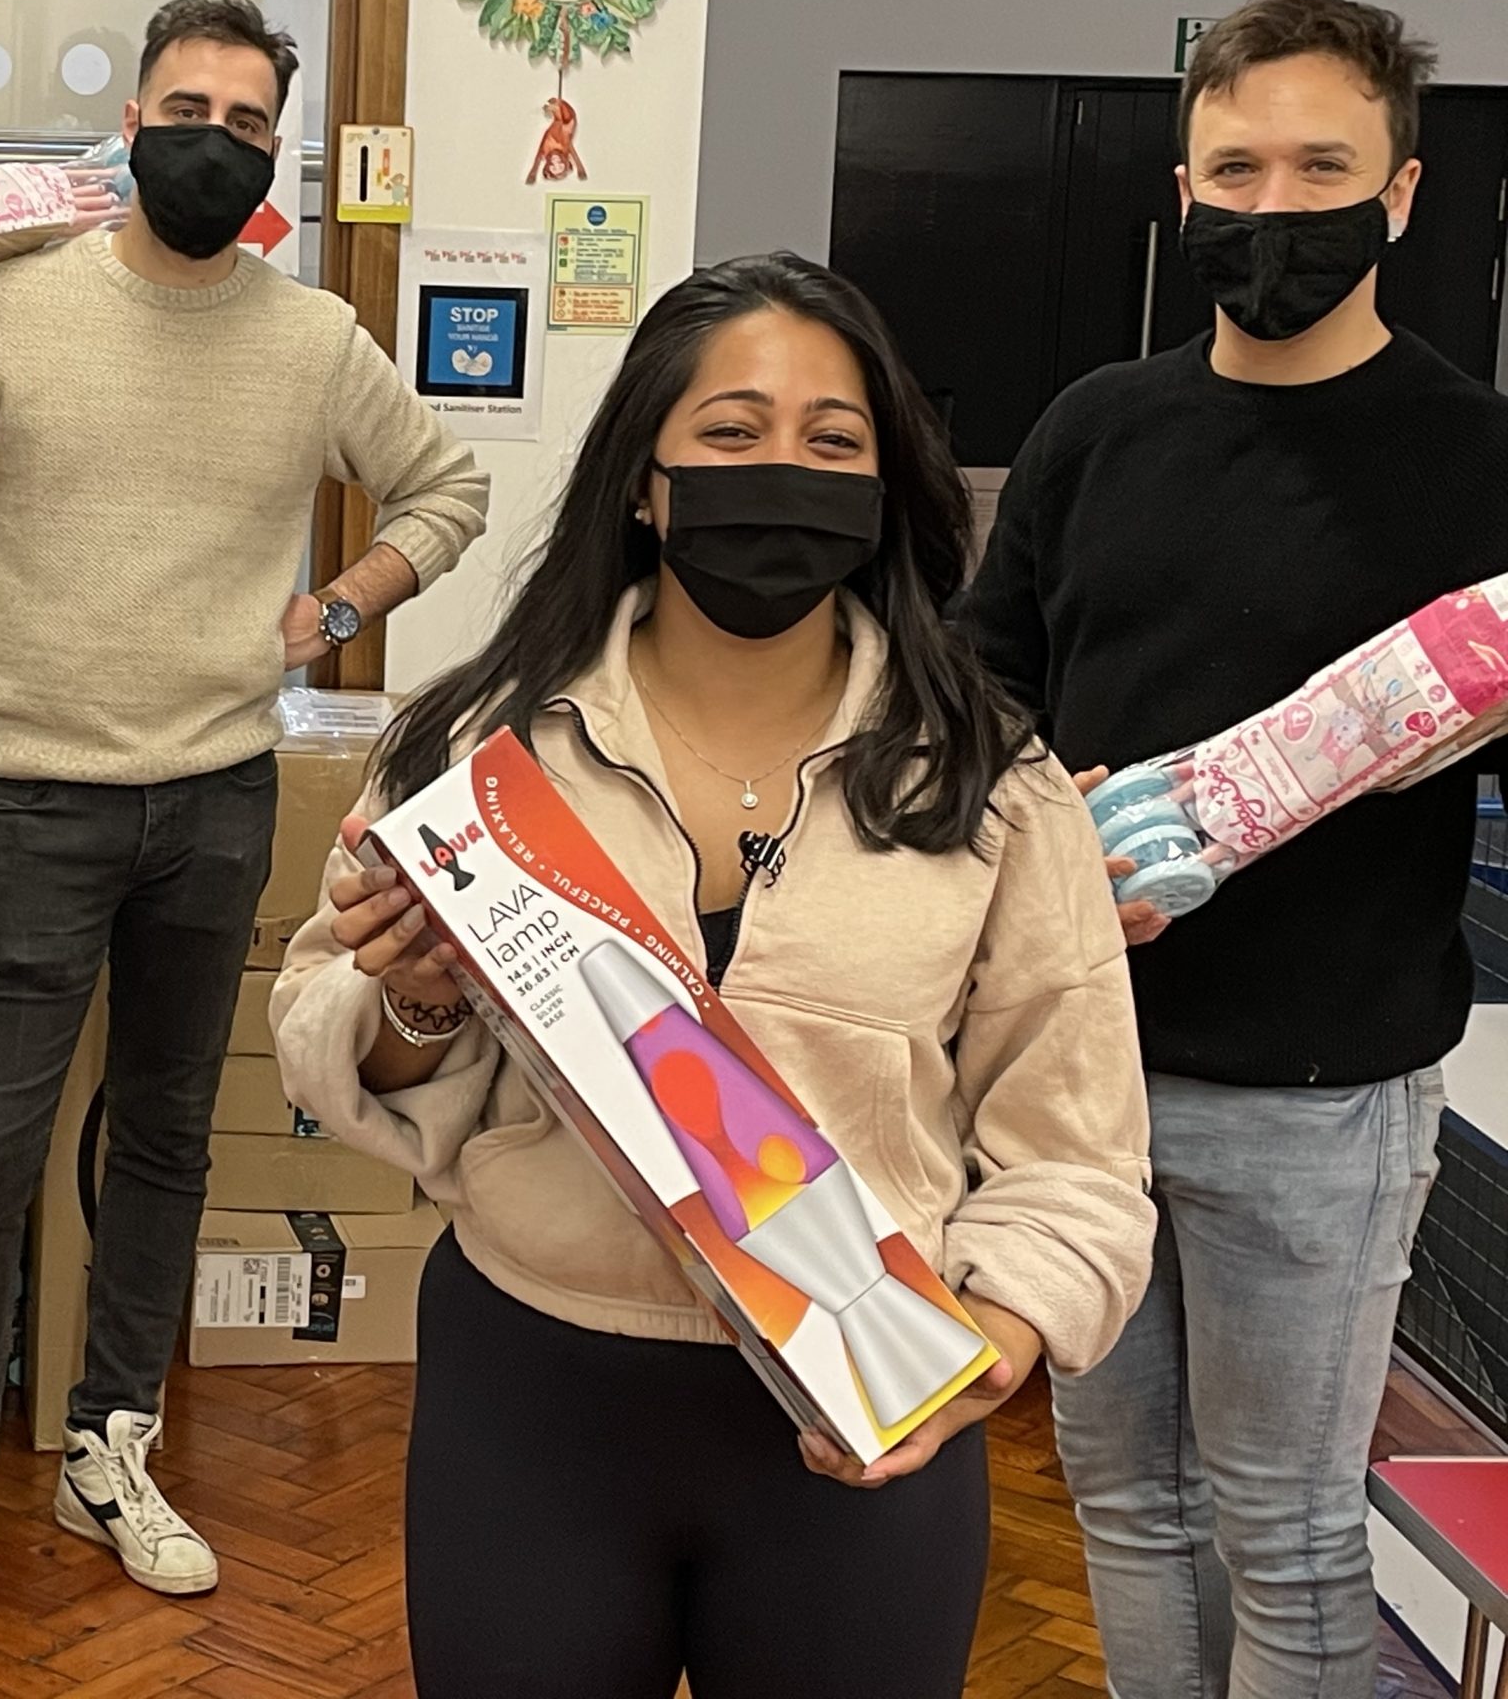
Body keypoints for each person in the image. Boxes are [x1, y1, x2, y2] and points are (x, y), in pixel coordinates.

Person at [272, 254, 1155, 1699]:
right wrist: (415, 1000)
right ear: (646, 479)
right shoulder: (476, 754)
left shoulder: (995, 784)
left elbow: (1080, 1152)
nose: (781, 470)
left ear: (885, 488)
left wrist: (985, 1350)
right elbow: (326, 1034)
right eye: (732, 432)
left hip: (872, 1406)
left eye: (832, 441)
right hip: (534, 1391)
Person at [0, 0, 490, 1634]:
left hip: (216, 796)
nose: (214, 139)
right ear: (129, 125)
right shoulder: (14, 306)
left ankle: (111, 1445)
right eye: (186, 110)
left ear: (276, 149)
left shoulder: (311, 340)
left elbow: (448, 486)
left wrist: (339, 607)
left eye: (248, 122)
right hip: (32, 797)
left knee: (168, 1137)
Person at [964, 0, 1508, 1699]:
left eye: (1322, 169)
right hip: (1079, 1077)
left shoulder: (1482, 459)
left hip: (1324, 1097)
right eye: (1237, 171)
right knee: (1127, 1503)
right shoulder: (1095, 428)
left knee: (1286, 1526)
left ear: (1401, 194)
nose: (1275, 208)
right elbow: (980, 695)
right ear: (1184, 190)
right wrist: (1041, 825)